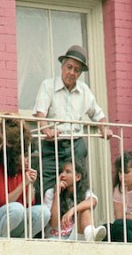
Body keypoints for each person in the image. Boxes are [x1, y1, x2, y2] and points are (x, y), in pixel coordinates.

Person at [32, 45, 106, 206]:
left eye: (77, 70)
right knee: (46, 187)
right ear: (62, 66)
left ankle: (78, 227)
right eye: (69, 67)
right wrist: (46, 130)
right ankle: (45, 227)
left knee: (78, 187)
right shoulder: (48, 85)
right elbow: (40, 114)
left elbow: (98, 114)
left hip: (75, 145)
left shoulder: (84, 90)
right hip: (53, 146)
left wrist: (104, 129)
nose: (72, 73)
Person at [0, 122, 45, 238]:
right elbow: (4, 201)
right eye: (25, 156)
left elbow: (28, 203)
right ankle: (2, 240)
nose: (28, 160)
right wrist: (23, 184)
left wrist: (30, 183)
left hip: (16, 219)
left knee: (43, 212)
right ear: (14, 156)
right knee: (17, 208)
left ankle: (24, 241)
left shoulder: (23, 172)